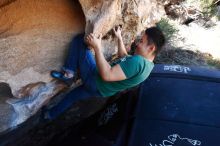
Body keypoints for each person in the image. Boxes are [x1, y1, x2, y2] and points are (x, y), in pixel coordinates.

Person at [45, 26, 165, 120]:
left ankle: (68, 74)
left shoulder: (138, 62)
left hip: (96, 80)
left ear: (151, 48)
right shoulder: (148, 66)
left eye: (142, 41)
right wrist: (119, 38)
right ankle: (49, 115)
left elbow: (107, 75)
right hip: (102, 91)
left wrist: (97, 47)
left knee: (80, 41)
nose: (138, 44)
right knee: (72, 97)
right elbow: (124, 57)